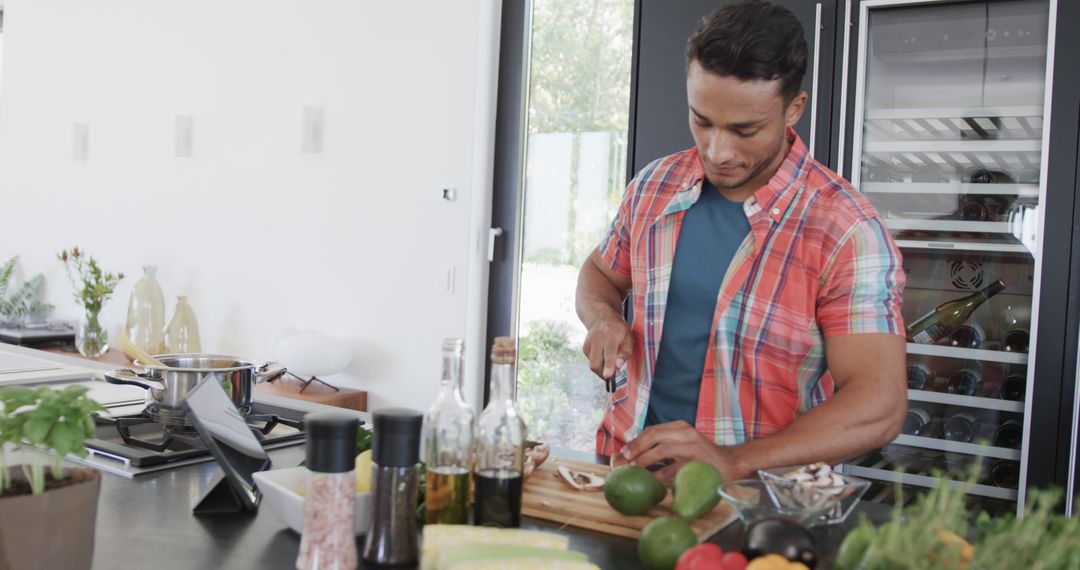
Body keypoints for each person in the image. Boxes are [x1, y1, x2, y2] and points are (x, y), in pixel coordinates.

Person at [575, 0, 906, 484]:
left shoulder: (846, 230)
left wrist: (733, 461)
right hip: (623, 473)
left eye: (744, 129)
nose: (718, 151)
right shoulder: (654, 185)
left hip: (757, 502)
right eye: (702, 120)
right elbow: (601, 274)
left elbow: (880, 403)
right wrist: (603, 317)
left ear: (795, 108)